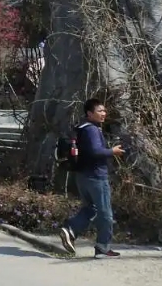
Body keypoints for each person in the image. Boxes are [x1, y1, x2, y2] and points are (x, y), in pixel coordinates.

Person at [60, 99, 123, 259]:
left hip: (82, 176)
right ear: (89, 113)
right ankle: (103, 247)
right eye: (100, 111)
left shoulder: (81, 127)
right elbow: (96, 151)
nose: (104, 114)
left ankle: (70, 229)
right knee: (106, 213)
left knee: (91, 208)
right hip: (96, 177)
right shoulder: (92, 130)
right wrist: (112, 151)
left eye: (104, 111)